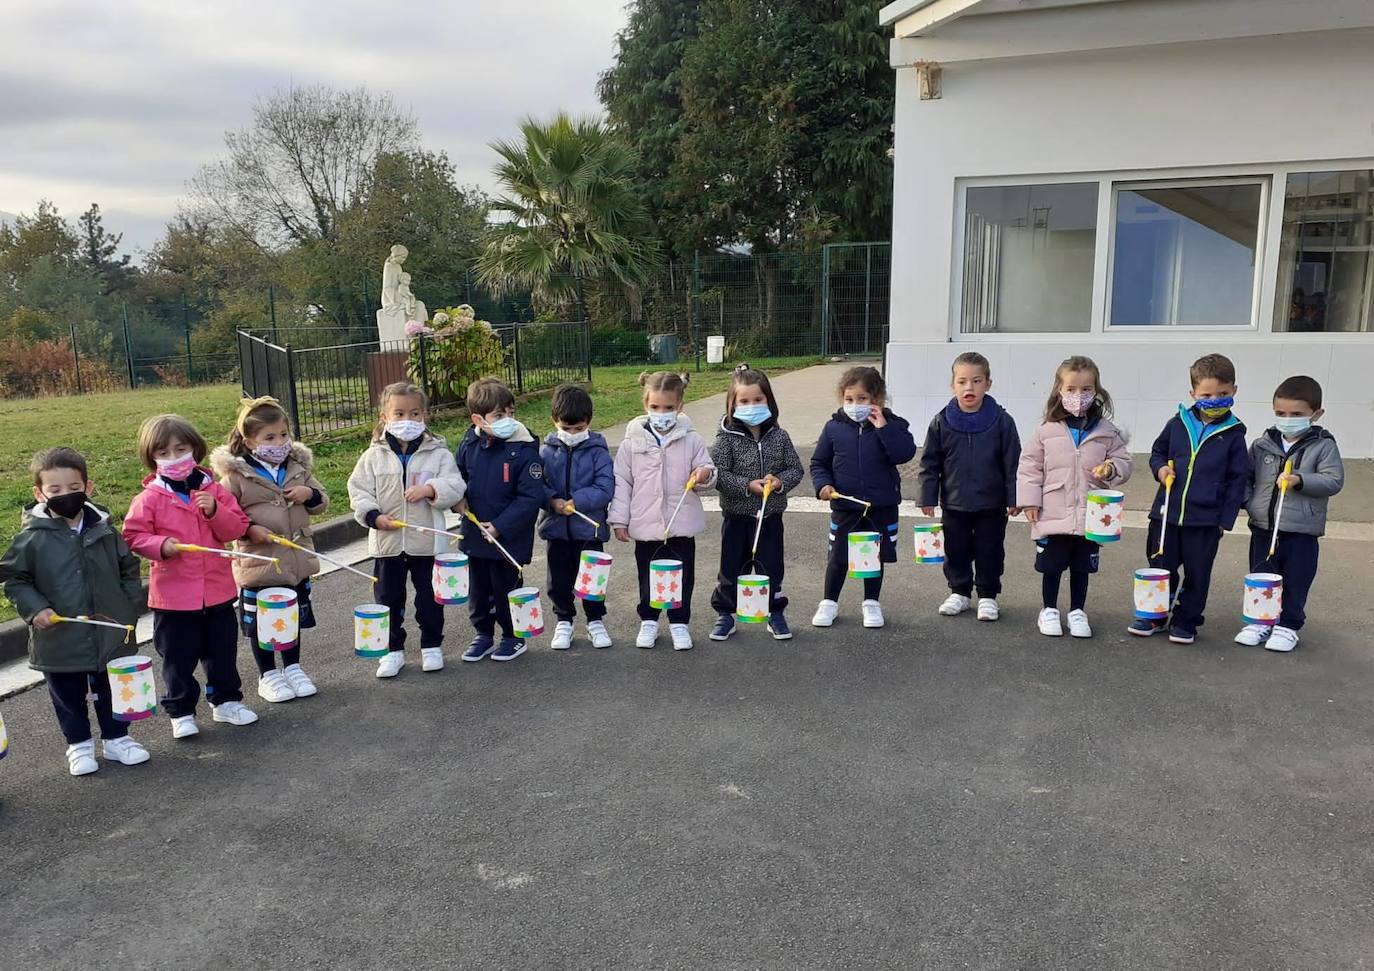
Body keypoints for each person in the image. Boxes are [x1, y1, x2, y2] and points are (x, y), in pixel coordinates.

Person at [0, 448, 148, 775]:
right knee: (67, 694)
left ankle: (117, 739)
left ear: (88, 487)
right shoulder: (31, 538)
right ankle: (78, 745)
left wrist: (128, 605)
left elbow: (128, 567)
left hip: (109, 630)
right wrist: (35, 608)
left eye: (73, 488)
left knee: (112, 688)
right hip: (59, 636)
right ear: (40, 494)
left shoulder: (104, 529)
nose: (65, 495)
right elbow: (14, 577)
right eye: (55, 490)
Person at [124, 415, 256, 737]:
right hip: (173, 598)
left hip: (218, 592)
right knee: (177, 659)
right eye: (163, 453)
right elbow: (133, 535)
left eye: (180, 449)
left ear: (195, 449)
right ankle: (181, 711)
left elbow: (237, 528)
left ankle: (226, 701)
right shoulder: (149, 498)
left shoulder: (214, 490)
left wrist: (214, 511)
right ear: (151, 458)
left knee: (221, 652)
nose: (173, 458)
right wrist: (161, 545)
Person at [210, 396, 329, 703]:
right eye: (270, 438)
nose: (279, 443)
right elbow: (225, 516)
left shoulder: (297, 467)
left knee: (290, 618)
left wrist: (309, 494)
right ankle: (268, 674)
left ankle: (292, 667)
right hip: (259, 563)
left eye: (284, 435)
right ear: (250, 443)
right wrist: (249, 529)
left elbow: (323, 501)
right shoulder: (235, 477)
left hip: (295, 561)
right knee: (263, 623)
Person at [347, 382, 466, 677]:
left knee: (429, 597)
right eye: (399, 414)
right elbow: (358, 490)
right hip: (387, 544)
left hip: (427, 542)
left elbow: (455, 486)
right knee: (388, 598)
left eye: (414, 413)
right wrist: (374, 517)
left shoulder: (438, 452)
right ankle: (392, 651)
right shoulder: (372, 455)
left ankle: (431, 646)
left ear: (424, 414)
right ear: (384, 415)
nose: (407, 421)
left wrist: (430, 488)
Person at [1133, 353, 1251, 645]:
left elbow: (1238, 481)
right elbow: (1158, 452)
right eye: (1207, 395)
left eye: (1223, 394)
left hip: (1205, 521)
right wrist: (1160, 469)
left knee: (1198, 574)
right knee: (1161, 567)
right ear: (1193, 394)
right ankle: (1154, 615)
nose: (1215, 400)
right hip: (1166, 515)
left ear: (1234, 391)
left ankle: (1187, 620)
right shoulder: (1177, 424)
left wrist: (1225, 520)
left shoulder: (1234, 435)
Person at [1016, 356, 1131, 639]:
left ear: (1097, 392)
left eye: (1086, 389)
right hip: (1053, 512)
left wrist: (1112, 468)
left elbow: (1123, 461)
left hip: (1092, 514)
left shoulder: (1107, 432)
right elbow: (1029, 466)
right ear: (1059, 390)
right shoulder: (1045, 431)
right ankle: (1049, 610)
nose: (1078, 396)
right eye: (1071, 389)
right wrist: (1029, 500)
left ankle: (1078, 611)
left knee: (1082, 566)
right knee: (1051, 565)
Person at [1235, 375, 1344, 652]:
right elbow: (1246, 477)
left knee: (1296, 579)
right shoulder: (1262, 444)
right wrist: (1249, 501)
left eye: (1297, 414)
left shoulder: (1323, 445)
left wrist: (1301, 480)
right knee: (1261, 575)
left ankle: (1288, 626)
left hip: (1301, 530)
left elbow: (1333, 480)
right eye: (1281, 413)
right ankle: (1261, 620)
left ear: (1316, 414)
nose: (1287, 419)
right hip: (1263, 526)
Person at [609, 371, 716, 651]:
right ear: (645, 405)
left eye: (668, 408)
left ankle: (680, 622)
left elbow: (708, 470)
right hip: (646, 526)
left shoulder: (691, 439)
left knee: (683, 575)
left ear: (680, 406)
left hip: (681, 524)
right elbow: (622, 481)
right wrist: (619, 519)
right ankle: (649, 620)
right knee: (647, 574)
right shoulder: (632, 442)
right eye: (655, 407)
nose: (662, 413)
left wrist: (704, 474)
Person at [809, 366, 918, 630]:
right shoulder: (834, 427)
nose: (854, 405)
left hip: (881, 507)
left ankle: (871, 603)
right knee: (838, 557)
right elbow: (818, 462)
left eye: (862, 399)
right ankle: (829, 602)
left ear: (877, 400)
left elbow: (903, 453)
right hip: (846, 506)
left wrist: (883, 428)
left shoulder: (894, 425)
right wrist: (823, 485)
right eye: (849, 399)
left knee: (873, 558)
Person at [917, 352, 1021, 622]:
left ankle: (987, 595)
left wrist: (1014, 497)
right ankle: (959, 592)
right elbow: (930, 463)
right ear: (953, 385)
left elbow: (1013, 463)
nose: (969, 387)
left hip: (992, 503)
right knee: (956, 549)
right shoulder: (942, 421)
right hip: (954, 503)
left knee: (990, 549)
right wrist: (927, 497)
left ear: (988, 384)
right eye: (962, 381)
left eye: (976, 381)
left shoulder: (1002, 421)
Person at [708, 365, 805, 642]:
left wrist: (779, 483)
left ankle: (774, 611)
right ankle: (726, 613)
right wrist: (747, 486)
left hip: (771, 517)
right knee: (731, 567)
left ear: (769, 401)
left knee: (771, 566)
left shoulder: (780, 436)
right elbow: (719, 474)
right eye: (745, 401)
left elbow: (795, 469)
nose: (752, 405)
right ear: (733, 404)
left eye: (758, 399)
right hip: (737, 516)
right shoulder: (725, 439)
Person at [456, 377, 546, 663]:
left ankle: (513, 636)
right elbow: (457, 476)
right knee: (478, 591)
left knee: (506, 588)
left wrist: (500, 526)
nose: (508, 419)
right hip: (474, 534)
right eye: (499, 415)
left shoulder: (524, 449)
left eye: (511, 412)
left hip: (508, 538)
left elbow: (530, 497)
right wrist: (456, 499)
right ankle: (483, 634)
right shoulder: (470, 444)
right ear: (478, 419)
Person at [539, 384, 615, 651]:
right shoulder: (545, 452)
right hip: (556, 529)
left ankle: (595, 620)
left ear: (589, 423)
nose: (572, 434)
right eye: (566, 428)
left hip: (588, 530)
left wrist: (578, 501)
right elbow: (537, 484)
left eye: (579, 428)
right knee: (559, 578)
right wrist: (552, 501)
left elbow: (606, 487)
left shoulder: (598, 451)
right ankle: (564, 621)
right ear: (554, 421)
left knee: (593, 578)